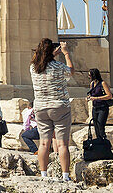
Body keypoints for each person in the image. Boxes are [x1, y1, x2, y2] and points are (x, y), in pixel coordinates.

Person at [30, 38, 74, 182]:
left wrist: (51, 54)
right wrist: (65, 53)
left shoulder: (33, 67)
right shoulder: (58, 66)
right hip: (59, 106)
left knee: (43, 143)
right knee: (62, 144)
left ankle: (43, 175)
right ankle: (65, 176)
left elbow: (43, 63)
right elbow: (71, 72)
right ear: (52, 51)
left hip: (41, 107)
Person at [88, 68, 113, 141]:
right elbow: (92, 94)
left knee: (101, 126)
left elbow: (109, 95)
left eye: (90, 75)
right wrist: (89, 97)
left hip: (102, 108)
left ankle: (103, 141)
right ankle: (98, 142)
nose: (89, 77)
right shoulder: (92, 84)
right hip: (95, 108)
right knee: (96, 126)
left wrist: (96, 98)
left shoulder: (102, 83)